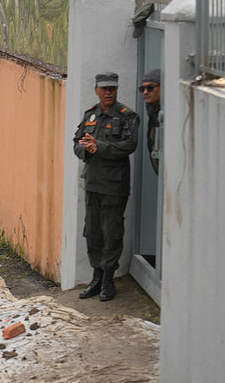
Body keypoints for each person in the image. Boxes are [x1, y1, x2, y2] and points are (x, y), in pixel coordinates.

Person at [73, 72, 140, 302]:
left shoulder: (127, 116)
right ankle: (96, 276)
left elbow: (129, 145)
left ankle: (108, 280)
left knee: (111, 233)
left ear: (117, 89)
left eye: (112, 88)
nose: (109, 92)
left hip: (114, 186)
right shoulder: (90, 114)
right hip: (93, 183)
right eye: (104, 89)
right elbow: (77, 142)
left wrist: (98, 146)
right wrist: (86, 150)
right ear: (97, 90)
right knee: (93, 232)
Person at [140, 69, 161, 174]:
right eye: (142, 89)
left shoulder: (167, 113)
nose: (145, 92)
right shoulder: (153, 113)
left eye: (150, 88)